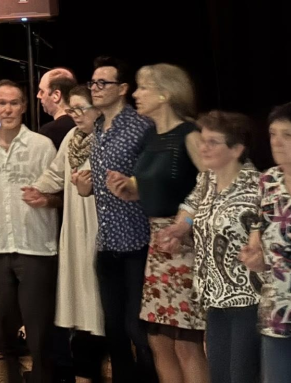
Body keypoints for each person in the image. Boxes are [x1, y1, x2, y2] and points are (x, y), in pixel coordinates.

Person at [106, 64, 206, 383]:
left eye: (143, 87)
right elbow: (158, 186)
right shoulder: (151, 135)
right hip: (158, 245)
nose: (136, 94)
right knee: (158, 339)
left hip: (185, 245)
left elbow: (213, 185)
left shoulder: (190, 134)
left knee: (186, 341)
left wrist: (184, 223)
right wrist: (129, 188)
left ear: (165, 93)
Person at [156, 111, 261, 383]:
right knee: (220, 376)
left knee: (242, 377)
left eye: (213, 142)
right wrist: (181, 227)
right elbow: (191, 208)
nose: (203, 147)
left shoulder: (258, 187)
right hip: (213, 298)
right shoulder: (207, 180)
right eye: (203, 140)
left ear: (237, 149)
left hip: (248, 300)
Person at [0, 80, 58, 383]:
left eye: (14, 103)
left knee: (39, 327)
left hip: (36, 246)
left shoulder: (41, 146)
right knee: (3, 326)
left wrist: (46, 199)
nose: (8, 109)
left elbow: (61, 194)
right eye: (2, 103)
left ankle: (43, 377)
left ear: (24, 107)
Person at [23, 86, 106, 382]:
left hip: (98, 223)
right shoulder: (72, 137)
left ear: (98, 109)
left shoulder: (106, 138)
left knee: (98, 291)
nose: (76, 115)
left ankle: (96, 361)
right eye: (72, 110)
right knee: (79, 291)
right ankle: (83, 364)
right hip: (75, 223)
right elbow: (56, 172)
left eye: (81, 109)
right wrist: (37, 188)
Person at [84, 56, 157, 383]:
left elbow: (156, 178)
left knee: (137, 326)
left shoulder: (141, 126)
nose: (95, 88)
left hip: (138, 240)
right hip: (107, 242)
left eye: (103, 83)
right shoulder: (98, 128)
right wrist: (87, 186)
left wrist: (134, 185)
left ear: (123, 88)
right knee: (113, 326)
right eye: (93, 83)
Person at [240, 100, 291, 383]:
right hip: (280, 314)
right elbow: (260, 234)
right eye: (273, 134)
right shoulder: (268, 181)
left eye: (288, 135)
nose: (277, 142)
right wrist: (255, 257)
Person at [37, 69, 78, 149]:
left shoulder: (48, 132)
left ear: (56, 95)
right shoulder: (84, 125)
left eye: (42, 91)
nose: (38, 95)